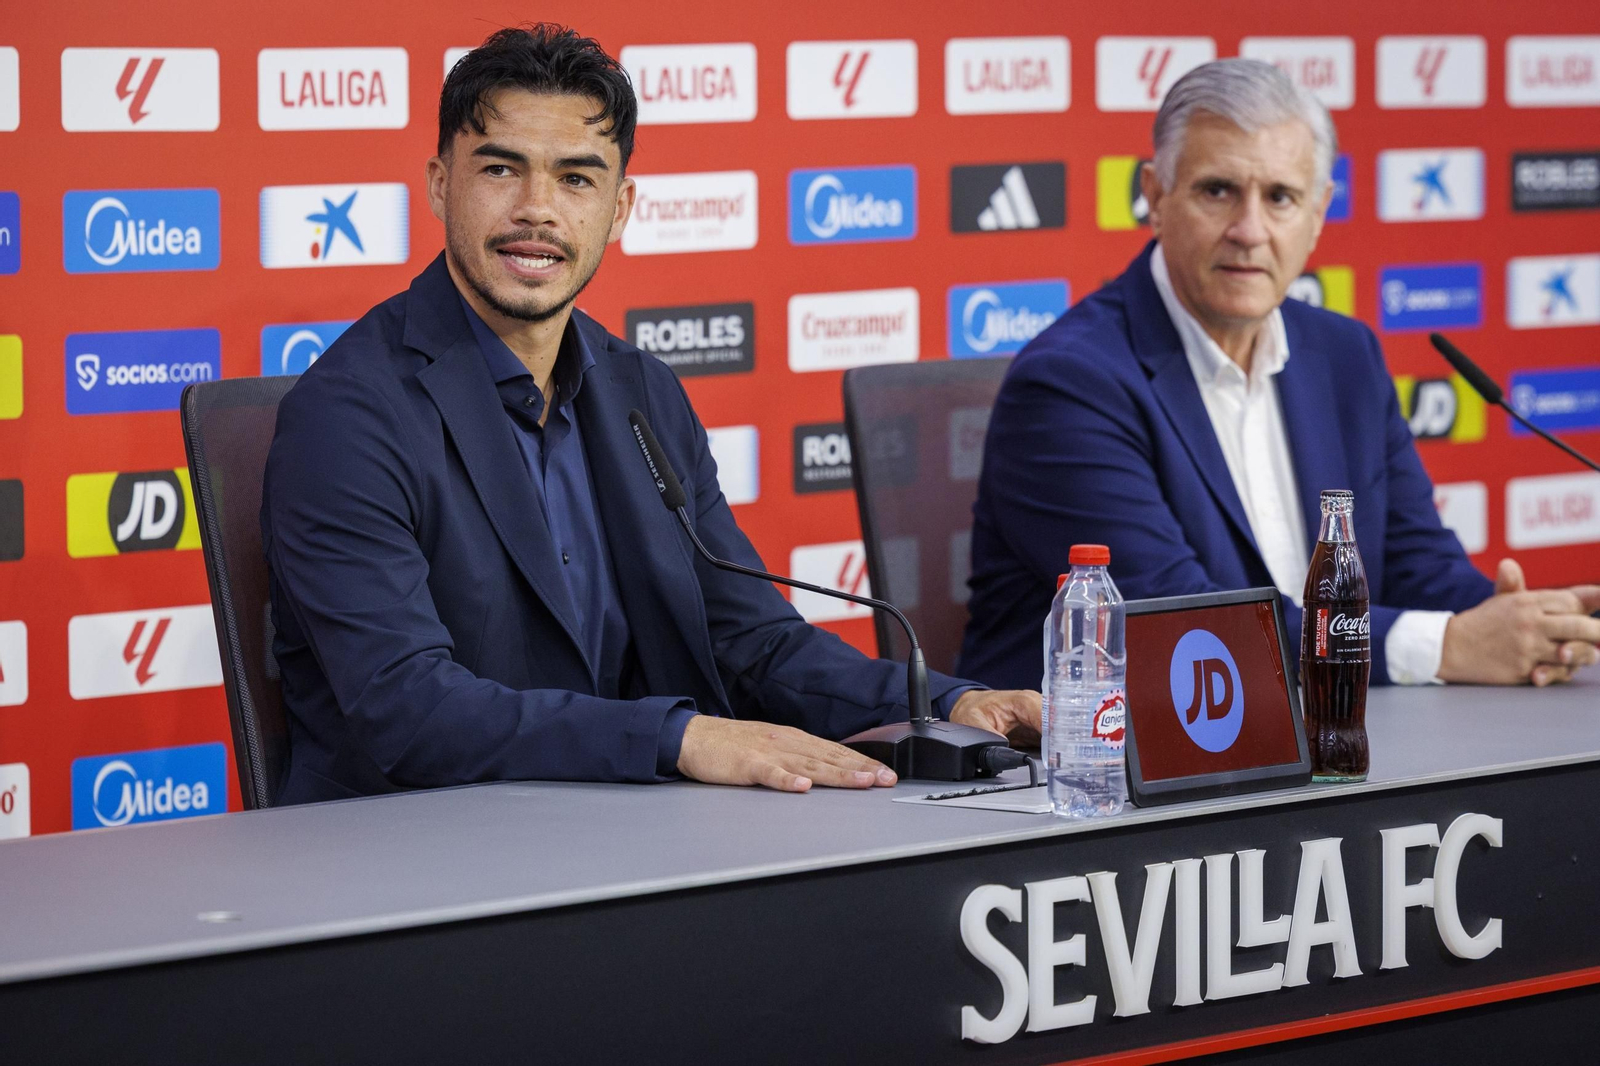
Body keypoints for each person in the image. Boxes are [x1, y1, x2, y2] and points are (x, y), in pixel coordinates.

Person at [262, 25, 1039, 805]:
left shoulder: (641, 392)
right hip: (417, 859)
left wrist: (944, 705)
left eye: (576, 179)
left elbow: (751, 639)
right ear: (440, 184)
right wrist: (681, 738)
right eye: (500, 169)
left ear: (621, 206)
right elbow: (410, 709)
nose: (536, 210)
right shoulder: (348, 416)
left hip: (625, 833)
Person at [961, 58, 1600, 694]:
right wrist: (1446, 646)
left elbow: (1414, 566)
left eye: (1280, 197)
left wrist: (1525, 626)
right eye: (1218, 191)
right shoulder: (1070, 384)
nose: (1250, 230)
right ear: (1155, 196)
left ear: (1318, 212)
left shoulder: (1345, 356)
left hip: (1334, 742)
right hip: (1091, 769)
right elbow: (1186, 624)